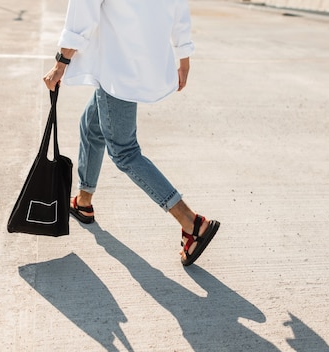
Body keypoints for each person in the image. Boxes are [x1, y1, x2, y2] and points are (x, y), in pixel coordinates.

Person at [43, 0, 220, 266]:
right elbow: (178, 7)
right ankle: (83, 201)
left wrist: (61, 62)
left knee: (124, 151)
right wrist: (184, 55)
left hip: (117, 65)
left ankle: (191, 222)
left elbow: (83, 11)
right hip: (137, 62)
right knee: (91, 126)